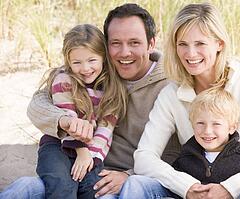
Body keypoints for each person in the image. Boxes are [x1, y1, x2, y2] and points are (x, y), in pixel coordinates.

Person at [0, 3, 181, 199]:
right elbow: (38, 103)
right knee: (23, 188)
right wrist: (64, 121)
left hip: (117, 179)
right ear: (105, 47)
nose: (124, 52)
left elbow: (176, 154)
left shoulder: (172, 85)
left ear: (151, 43)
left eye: (134, 43)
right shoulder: (95, 71)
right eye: (116, 43)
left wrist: (129, 174)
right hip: (75, 161)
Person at [130, 2, 240, 199]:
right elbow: (144, 157)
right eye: (182, 44)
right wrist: (187, 186)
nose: (190, 54)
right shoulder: (171, 95)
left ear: (219, 43)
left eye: (200, 43)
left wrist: (230, 188)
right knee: (136, 184)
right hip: (200, 188)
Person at [35, 24, 127, 199]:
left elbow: (105, 129)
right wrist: (81, 152)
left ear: (103, 57)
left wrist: (91, 156)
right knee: (62, 187)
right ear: (68, 61)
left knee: (93, 188)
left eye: (92, 60)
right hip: (58, 145)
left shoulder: (112, 88)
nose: (85, 68)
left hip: (90, 148)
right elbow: (70, 120)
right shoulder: (63, 80)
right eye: (77, 62)